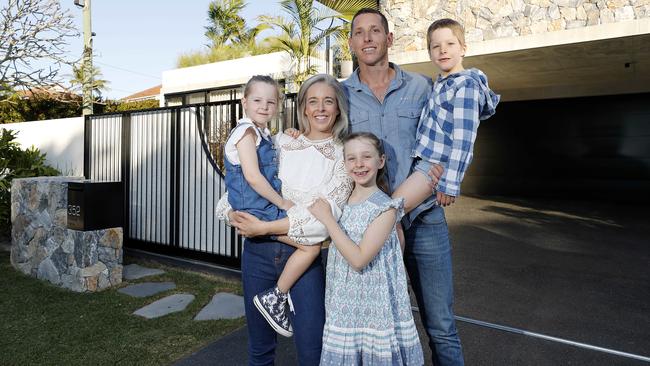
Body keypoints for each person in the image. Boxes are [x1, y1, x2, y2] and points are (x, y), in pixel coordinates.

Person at [343, 8, 462, 365]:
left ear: (389, 39)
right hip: (369, 233)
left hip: (423, 221)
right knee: (379, 328)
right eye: (360, 33)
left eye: (375, 31)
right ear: (351, 43)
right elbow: (326, 144)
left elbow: (439, 152)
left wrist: (393, 207)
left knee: (440, 325)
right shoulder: (341, 95)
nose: (367, 38)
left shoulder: (422, 87)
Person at [217, 73, 353, 365]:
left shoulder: (344, 156)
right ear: (302, 107)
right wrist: (232, 215)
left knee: (311, 349)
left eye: (328, 101)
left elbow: (323, 223)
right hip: (258, 255)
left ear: (338, 108)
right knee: (260, 348)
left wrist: (264, 227)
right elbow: (237, 191)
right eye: (312, 101)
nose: (320, 108)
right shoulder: (279, 142)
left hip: (303, 259)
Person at [308, 132, 424, 365]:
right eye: (351, 158)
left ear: (380, 161)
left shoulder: (385, 208)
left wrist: (328, 220)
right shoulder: (342, 201)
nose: (359, 164)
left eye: (366, 157)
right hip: (343, 300)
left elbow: (359, 259)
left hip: (372, 305)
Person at [393, 18, 499, 213]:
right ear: (430, 53)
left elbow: (463, 140)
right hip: (421, 163)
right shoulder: (440, 84)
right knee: (394, 217)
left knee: (391, 210)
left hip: (434, 167)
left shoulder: (466, 86)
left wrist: (450, 183)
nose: (443, 50)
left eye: (450, 44)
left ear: (463, 49)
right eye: (436, 46)